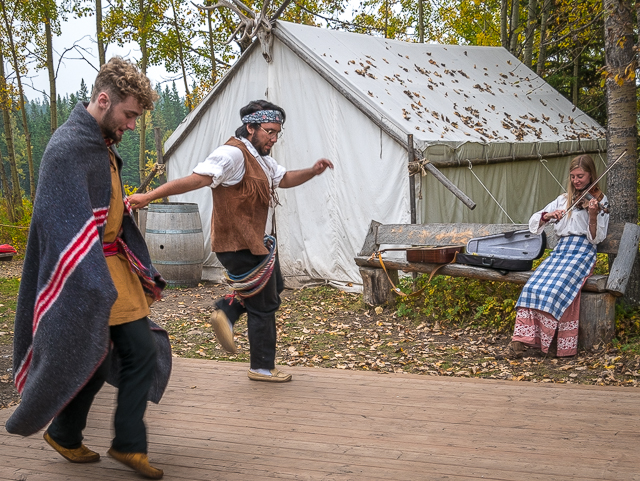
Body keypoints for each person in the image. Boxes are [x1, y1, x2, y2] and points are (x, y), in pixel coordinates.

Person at [6, 57, 172, 480]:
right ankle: (108, 440)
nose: (132, 125)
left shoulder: (99, 144)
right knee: (116, 354)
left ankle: (83, 435)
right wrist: (91, 284)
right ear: (103, 100)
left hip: (112, 267)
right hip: (88, 272)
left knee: (119, 353)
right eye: (129, 114)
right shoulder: (67, 148)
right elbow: (59, 227)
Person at [128, 99, 334, 383]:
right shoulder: (231, 154)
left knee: (275, 285)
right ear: (250, 127)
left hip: (253, 242)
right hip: (237, 243)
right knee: (263, 305)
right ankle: (262, 367)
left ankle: (227, 311)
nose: (273, 138)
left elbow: (283, 179)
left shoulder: (261, 158)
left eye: (277, 133)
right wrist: (149, 196)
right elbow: (197, 180)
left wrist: (312, 171)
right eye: (269, 131)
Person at [499, 154, 609, 359]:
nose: (576, 181)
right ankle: (522, 341)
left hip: (582, 254)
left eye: (581, 176)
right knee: (532, 287)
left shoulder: (599, 201)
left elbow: (596, 239)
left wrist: (593, 215)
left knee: (552, 290)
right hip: (561, 252)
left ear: (591, 175)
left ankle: (543, 342)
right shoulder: (562, 200)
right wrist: (548, 216)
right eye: (573, 176)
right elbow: (534, 222)